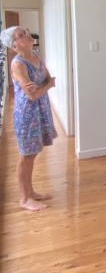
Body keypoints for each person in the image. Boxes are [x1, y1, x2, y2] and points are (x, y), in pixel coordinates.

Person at [0, 26, 57, 211]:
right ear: (14, 45)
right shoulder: (18, 64)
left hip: (39, 111)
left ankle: (31, 192)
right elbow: (33, 94)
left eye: (25, 32)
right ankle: (24, 199)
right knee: (26, 156)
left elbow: (49, 79)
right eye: (21, 35)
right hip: (27, 115)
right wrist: (46, 86)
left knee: (32, 155)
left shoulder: (35, 56)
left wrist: (43, 86)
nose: (27, 35)